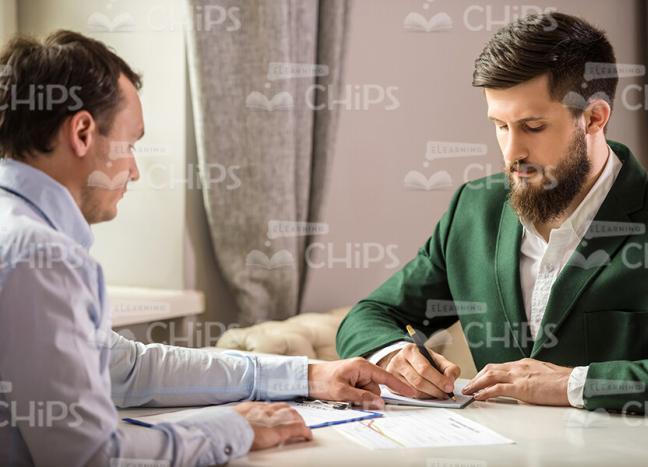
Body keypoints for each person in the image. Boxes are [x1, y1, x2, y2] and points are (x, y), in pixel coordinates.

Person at [0, 30, 416, 467]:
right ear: (83, 132)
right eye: (130, 144)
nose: (135, 172)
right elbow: (90, 458)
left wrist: (310, 375)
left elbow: (127, 369)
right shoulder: (39, 256)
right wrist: (233, 428)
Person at [336, 12, 648, 418]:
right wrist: (395, 353)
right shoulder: (472, 210)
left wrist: (575, 383)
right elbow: (369, 315)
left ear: (595, 118)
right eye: (500, 126)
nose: (512, 153)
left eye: (532, 126)